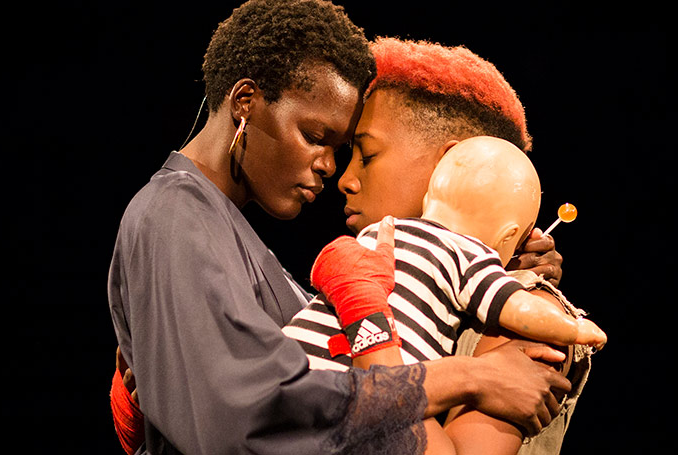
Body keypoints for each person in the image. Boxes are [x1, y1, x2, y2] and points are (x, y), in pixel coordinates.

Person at [107, 3, 570, 455]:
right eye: (314, 136)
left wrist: (497, 272)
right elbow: (247, 413)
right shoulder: (175, 212)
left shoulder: (237, 239)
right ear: (245, 101)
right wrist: (472, 378)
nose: (334, 171)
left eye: (355, 151)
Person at [285, 37, 596, 454]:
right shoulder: (375, 273)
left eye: (367, 154)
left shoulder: (519, 316)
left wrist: (371, 327)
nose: (345, 179)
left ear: (450, 163)